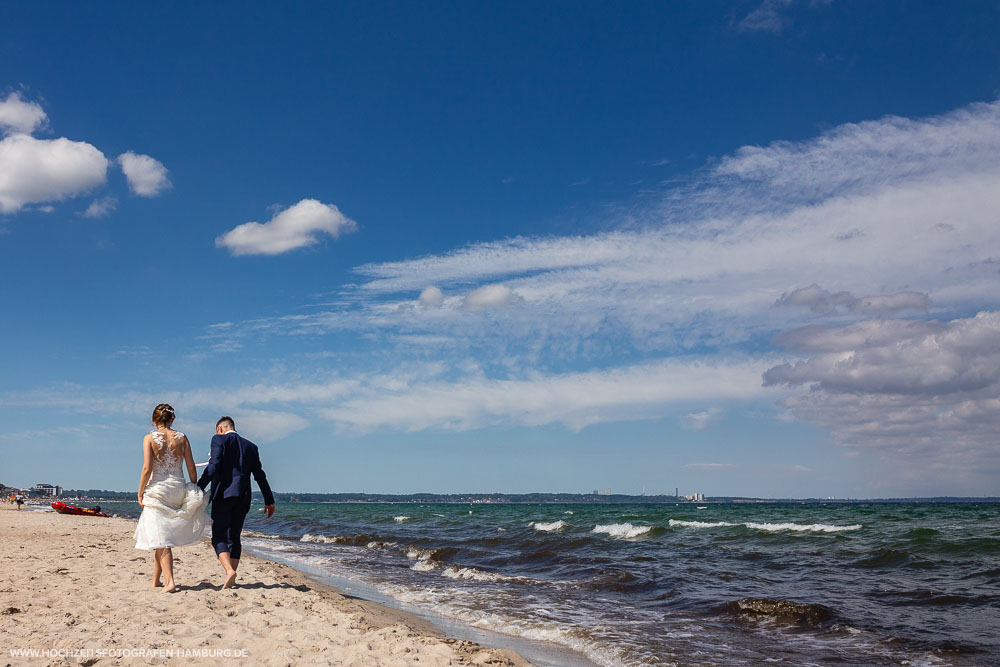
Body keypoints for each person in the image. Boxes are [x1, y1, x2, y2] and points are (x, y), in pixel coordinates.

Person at [133, 404, 212, 592]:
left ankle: (170, 582)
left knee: (161, 537)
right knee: (160, 534)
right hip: (177, 488)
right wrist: (193, 486)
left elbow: (147, 468)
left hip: (158, 489)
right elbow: (191, 467)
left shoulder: (149, 438)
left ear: (154, 420)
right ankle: (155, 580)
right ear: (172, 419)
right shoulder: (182, 438)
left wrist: (140, 491)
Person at [197, 416, 275, 589]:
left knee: (218, 535)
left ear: (220, 429)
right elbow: (259, 476)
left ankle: (229, 572)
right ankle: (232, 578)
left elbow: (214, 465)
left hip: (223, 495)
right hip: (244, 496)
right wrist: (269, 500)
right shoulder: (251, 447)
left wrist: (199, 488)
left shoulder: (218, 439)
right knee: (235, 537)